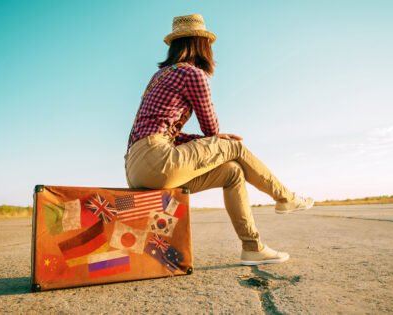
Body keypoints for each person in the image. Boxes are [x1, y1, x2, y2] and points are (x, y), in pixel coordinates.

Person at [125, 14, 314, 266]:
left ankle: (252, 247)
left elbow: (170, 134)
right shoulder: (192, 74)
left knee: (232, 172)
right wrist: (218, 139)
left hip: (139, 167)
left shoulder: (159, 76)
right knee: (234, 146)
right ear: (202, 44)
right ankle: (285, 198)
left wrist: (210, 141)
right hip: (157, 159)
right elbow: (211, 127)